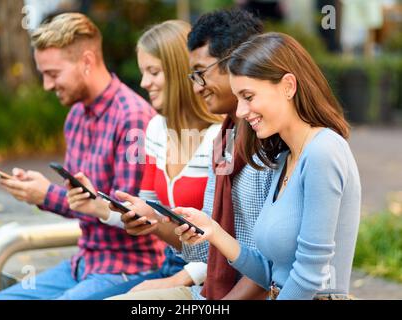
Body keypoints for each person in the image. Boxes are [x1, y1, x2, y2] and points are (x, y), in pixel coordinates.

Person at [0, 12, 164, 300]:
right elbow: (82, 200)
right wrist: (42, 191)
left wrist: (46, 195)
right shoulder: (76, 116)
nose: (46, 85)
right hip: (83, 263)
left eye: (53, 74)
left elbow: (130, 215)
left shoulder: (133, 118)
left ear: (86, 62)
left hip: (129, 269)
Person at [174, 32, 361, 300]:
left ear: (287, 86)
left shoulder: (324, 151)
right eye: (238, 98)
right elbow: (271, 272)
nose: (239, 111)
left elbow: (310, 275)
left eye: (248, 96)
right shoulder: (285, 158)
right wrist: (213, 231)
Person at [108, 8, 273, 301]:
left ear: (237, 63)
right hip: (210, 285)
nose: (196, 87)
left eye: (200, 74)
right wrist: (154, 221)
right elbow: (206, 246)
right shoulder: (225, 137)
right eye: (192, 75)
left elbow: (269, 268)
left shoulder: (270, 144)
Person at [65, 19, 222, 298]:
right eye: (143, 72)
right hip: (170, 264)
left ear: (178, 72)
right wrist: (101, 207)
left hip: (208, 273)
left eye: (153, 72)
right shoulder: (155, 129)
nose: (144, 82)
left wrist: (179, 279)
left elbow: (227, 239)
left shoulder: (221, 137)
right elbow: (149, 212)